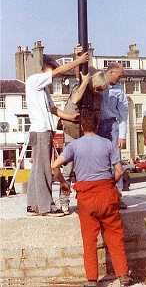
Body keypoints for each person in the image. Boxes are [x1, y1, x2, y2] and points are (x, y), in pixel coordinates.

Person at [52, 111, 132, 287]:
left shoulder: (74, 146)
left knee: (89, 239)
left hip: (86, 196)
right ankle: (123, 275)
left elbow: (54, 166)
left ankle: (91, 279)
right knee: (114, 235)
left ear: (81, 126)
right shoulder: (108, 144)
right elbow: (119, 170)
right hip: (107, 193)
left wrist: (64, 184)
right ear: (96, 125)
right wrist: (111, 183)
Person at [25, 50, 89, 217]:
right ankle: (46, 206)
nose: (53, 78)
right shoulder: (34, 80)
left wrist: (70, 117)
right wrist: (78, 60)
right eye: (51, 71)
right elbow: (58, 71)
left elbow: (54, 110)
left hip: (44, 130)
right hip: (40, 131)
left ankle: (33, 204)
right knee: (44, 169)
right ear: (46, 68)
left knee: (37, 169)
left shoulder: (43, 90)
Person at [59, 68, 108, 215]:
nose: (99, 91)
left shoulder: (98, 97)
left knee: (85, 171)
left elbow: (97, 115)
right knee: (68, 170)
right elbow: (74, 100)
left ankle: (84, 201)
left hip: (87, 134)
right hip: (72, 133)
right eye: (98, 88)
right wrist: (85, 82)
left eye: (101, 89)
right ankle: (64, 202)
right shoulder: (79, 89)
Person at [98, 62, 128, 208]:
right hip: (96, 126)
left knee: (115, 161)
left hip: (112, 125)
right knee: (100, 161)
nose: (121, 78)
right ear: (111, 72)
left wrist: (122, 135)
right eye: (120, 75)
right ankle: (103, 197)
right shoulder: (97, 81)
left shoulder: (119, 89)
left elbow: (123, 113)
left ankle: (117, 196)